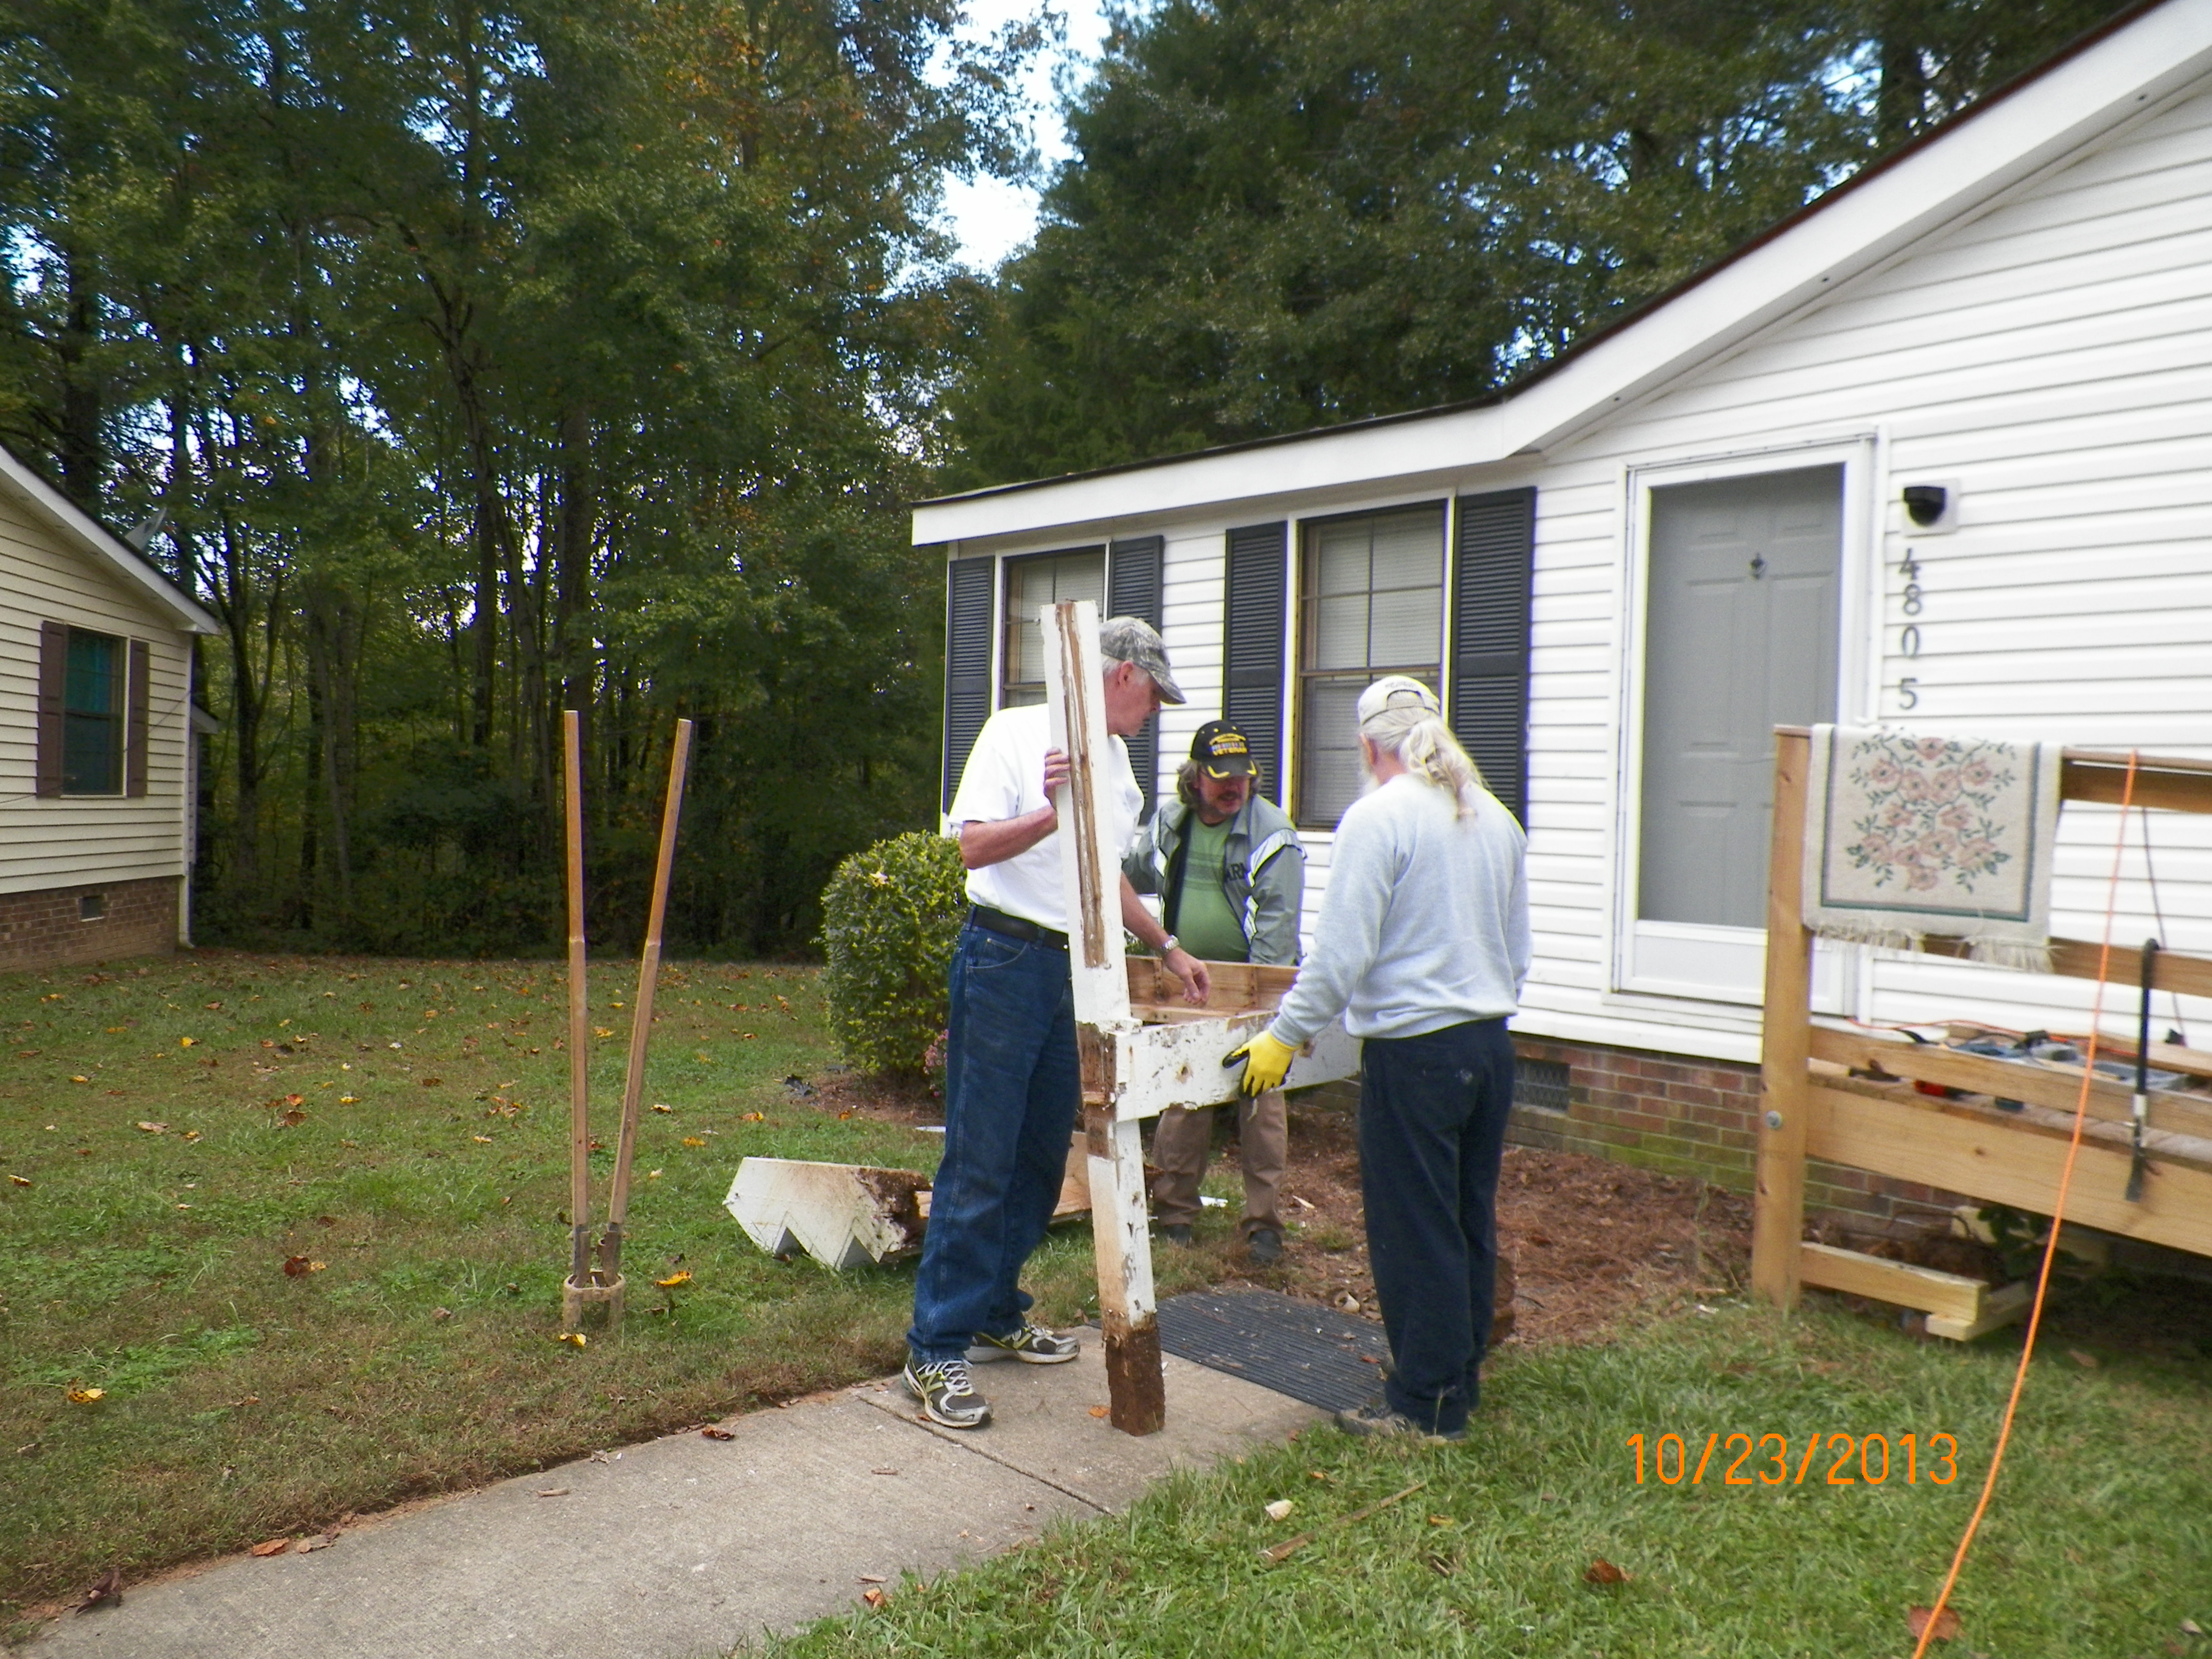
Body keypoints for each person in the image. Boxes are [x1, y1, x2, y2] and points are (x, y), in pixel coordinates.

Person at [906, 615, 1212, 1431]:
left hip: (1071, 968)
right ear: (1119, 675)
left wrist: (1169, 948)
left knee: (1043, 1156)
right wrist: (1049, 813)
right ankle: (935, 1347)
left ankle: (996, 1309)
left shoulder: (1116, 766)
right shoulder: (1014, 735)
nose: (1153, 713)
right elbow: (970, 849)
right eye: (1152, 695)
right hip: (1002, 959)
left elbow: (1105, 876)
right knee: (980, 1157)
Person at [1226, 676, 1529, 1442]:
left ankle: (1423, 1406)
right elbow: (1518, 955)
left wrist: (1284, 1035)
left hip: (1417, 1055)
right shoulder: (1494, 818)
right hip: (1490, 1047)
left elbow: (1340, 956)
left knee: (1414, 1228)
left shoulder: (1377, 818)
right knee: (1465, 1218)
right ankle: (1457, 1383)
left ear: (1367, 745)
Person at [1125, 720, 1305, 1264]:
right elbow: (1126, 876)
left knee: (1260, 1102)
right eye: (1221, 777)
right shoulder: (1170, 823)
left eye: (1242, 777)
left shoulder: (1273, 833)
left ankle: (1263, 1225)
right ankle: (1174, 1214)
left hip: (1253, 987)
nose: (1234, 787)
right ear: (1196, 777)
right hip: (1186, 986)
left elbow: (1277, 928)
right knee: (1183, 1097)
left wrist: (1259, 1007)